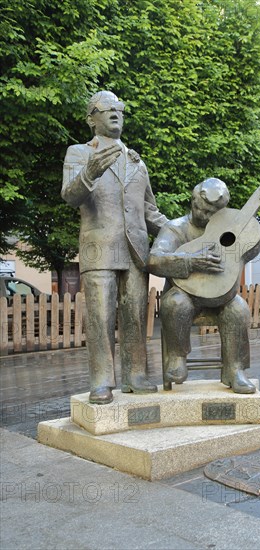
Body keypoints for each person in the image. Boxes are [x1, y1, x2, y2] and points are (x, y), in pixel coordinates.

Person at [62, 90, 168, 404]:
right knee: (100, 318)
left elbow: (150, 211)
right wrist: (90, 171)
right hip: (99, 247)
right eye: (105, 109)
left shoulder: (137, 161)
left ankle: (135, 376)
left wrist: (181, 230)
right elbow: (70, 195)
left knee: (135, 315)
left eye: (119, 108)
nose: (114, 113)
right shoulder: (79, 153)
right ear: (91, 119)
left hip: (135, 250)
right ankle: (101, 381)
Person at [147, 177, 260, 393]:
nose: (204, 215)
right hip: (186, 295)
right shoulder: (176, 228)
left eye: (212, 212)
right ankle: (176, 356)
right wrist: (190, 262)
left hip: (222, 296)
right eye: (200, 208)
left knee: (238, 309)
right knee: (174, 303)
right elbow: (154, 260)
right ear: (192, 201)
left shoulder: (233, 227)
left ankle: (234, 369)